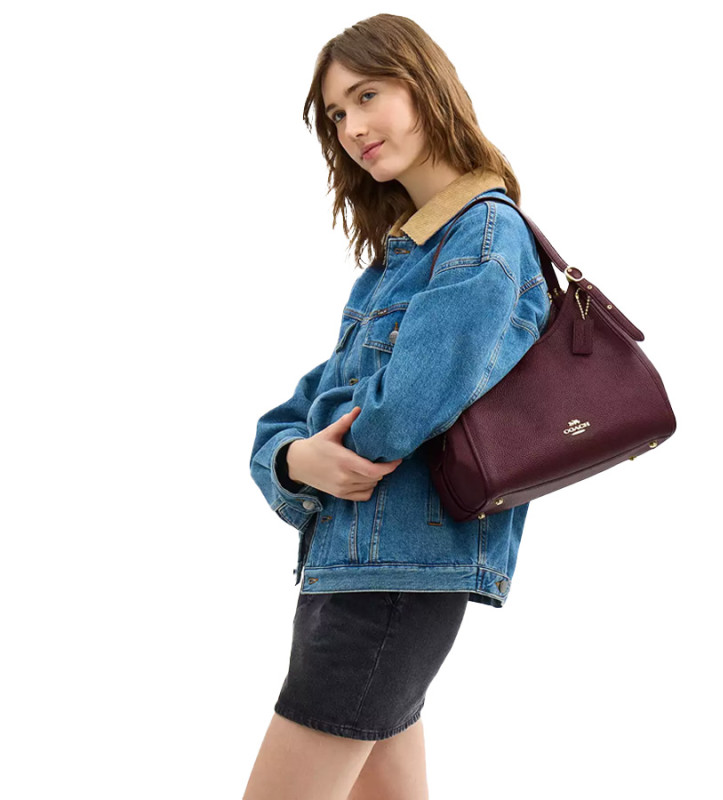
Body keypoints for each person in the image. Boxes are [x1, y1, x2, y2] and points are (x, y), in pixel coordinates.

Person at [242, 13, 551, 800]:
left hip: (389, 579)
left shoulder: (484, 236)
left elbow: (394, 416)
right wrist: (293, 458)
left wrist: (310, 452)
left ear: (426, 86)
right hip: (357, 568)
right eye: (335, 113)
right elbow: (291, 417)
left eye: (367, 95)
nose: (351, 127)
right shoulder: (398, 263)